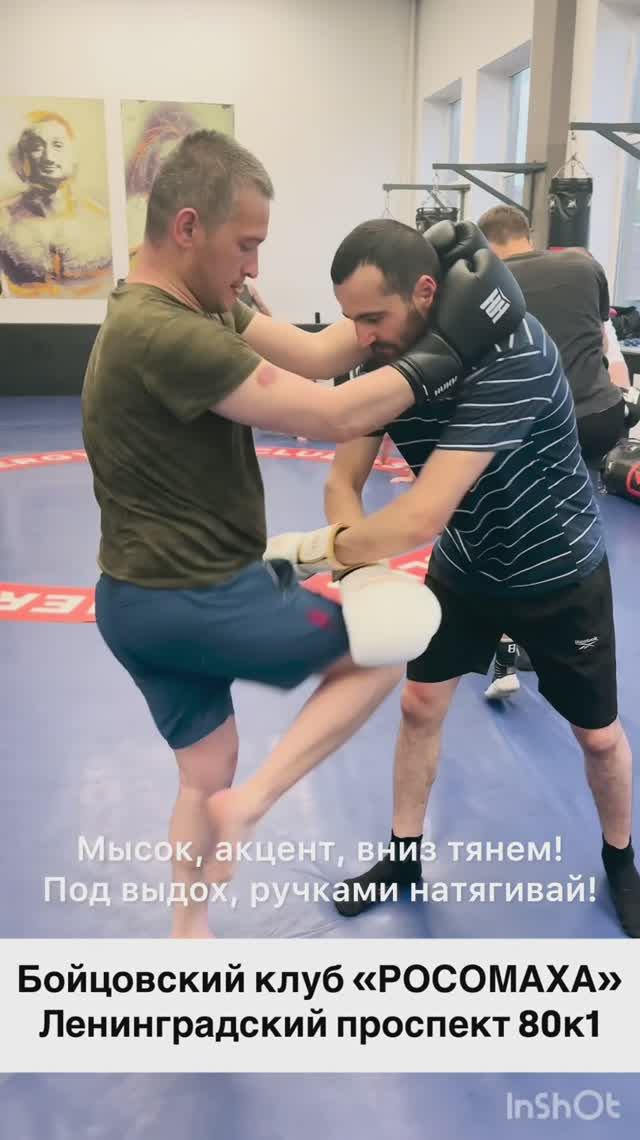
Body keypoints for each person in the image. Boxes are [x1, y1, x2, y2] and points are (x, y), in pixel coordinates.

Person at [81, 129, 521, 938]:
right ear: (188, 228)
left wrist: (411, 301)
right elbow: (331, 414)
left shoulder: (190, 302)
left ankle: (188, 933)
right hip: (197, 598)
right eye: (246, 245)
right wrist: (456, 345)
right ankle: (252, 807)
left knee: (203, 771)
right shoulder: (165, 333)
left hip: (131, 605)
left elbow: (320, 355)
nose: (254, 267)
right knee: (389, 645)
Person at [312, 216, 639, 938]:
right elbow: (343, 480)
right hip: (466, 566)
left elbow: (420, 515)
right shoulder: (378, 367)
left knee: (597, 738)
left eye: (374, 317)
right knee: (419, 707)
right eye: (350, 319)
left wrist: (322, 552)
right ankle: (403, 856)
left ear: (425, 293)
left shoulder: (512, 354)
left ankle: (621, 861)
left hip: (558, 572)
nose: (362, 335)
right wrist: (357, 567)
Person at [477, 204, 636, 700]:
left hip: (539, 421)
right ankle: (574, 636)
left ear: (486, 245)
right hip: (599, 416)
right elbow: (601, 335)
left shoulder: (489, 283)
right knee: (573, 520)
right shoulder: (585, 265)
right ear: (528, 233)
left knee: (516, 525)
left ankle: (511, 643)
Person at [0, 111, 112, 298]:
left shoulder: (103, 221)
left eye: (58, 145)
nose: (48, 157)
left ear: (74, 155)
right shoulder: (3, 219)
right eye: (36, 147)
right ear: (23, 158)